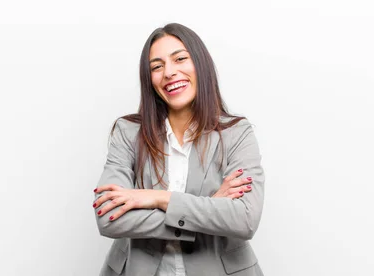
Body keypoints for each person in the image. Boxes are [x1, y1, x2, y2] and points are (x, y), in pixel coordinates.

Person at [92, 23, 265, 276]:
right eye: (157, 66)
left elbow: (245, 219)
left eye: (180, 59)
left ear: (200, 64)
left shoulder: (236, 133)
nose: (169, 73)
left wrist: (158, 198)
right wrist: (208, 208)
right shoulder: (128, 132)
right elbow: (109, 218)